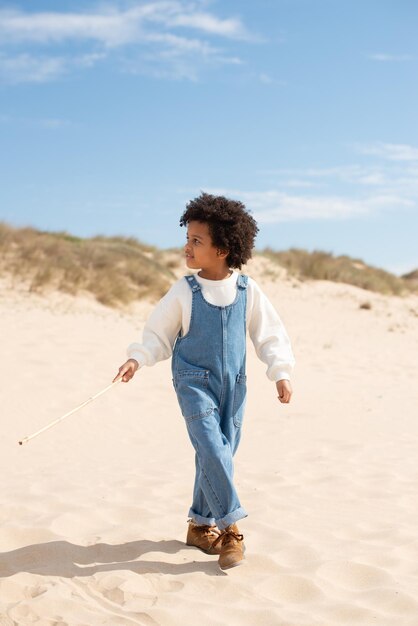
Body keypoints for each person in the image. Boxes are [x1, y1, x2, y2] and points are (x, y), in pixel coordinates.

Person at [113, 192, 295, 570]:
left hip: (236, 386)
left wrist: (280, 372)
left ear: (224, 249)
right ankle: (231, 530)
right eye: (187, 238)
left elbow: (270, 335)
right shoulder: (185, 290)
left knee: (219, 455)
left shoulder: (248, 290)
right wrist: (137, 358)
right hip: (193, 383)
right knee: (212, 448)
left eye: (197, 241)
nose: (187, 247)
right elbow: (157, 333)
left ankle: (199, 525)